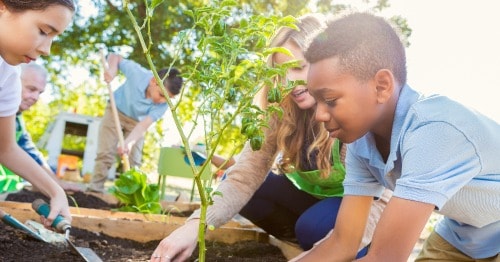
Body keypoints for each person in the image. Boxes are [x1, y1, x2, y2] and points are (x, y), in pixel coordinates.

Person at [150, 14, 389, 261]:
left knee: (313, 227)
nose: (291, 82)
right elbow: (243, 177)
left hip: (364, 209)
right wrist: (194, 228)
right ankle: (307, 246)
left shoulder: (352, 112)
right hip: (318, 205)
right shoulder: (279, 110)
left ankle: (330, 246)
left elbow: (382, 200)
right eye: (281, 71)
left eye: (299, 67)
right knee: (257, 192)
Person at [293, 12, 500, 262]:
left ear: (382, 86)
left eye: (330, 100)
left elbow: (385, 258)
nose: (319, 115)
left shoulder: (434, 130)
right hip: (464, 236)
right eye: (317, 102)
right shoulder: (361, 145)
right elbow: (341, 244)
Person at [0, 0, 76, 227]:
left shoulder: (8, 75)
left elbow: (6, 148)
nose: (47, 49)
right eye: (44, 32)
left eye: (54, 37)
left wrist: (55, 191)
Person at [88, 53, 183, 192]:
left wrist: (129, 142)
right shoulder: (138, 73)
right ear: (153, 81)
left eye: (168, 99)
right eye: (162, 95)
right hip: (116, 111)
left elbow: (143, 125)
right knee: (106, 154)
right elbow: (115, 56)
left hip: (137, 123)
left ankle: (130, 196)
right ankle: (94, 191)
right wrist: (112, 70)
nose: (163, 101)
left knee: (134, 161)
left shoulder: (164, 105)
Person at [0, 63, 82, 193]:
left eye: (40, 92)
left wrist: (56, 184)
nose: (36, 98)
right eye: (31, 89)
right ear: (12, 81)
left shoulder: (18, 120)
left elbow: (32, 155)